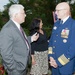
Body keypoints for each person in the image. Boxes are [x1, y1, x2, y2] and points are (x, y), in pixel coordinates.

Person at [0, 4, 39, 75]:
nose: (25, 15)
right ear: (16, 15)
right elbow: (5, 54)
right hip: (16, 70)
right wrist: (14, 69)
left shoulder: (17, 26)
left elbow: (19, 41)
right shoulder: (7, 29)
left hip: (22, 67)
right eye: (23, 13)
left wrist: (31, 39)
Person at [48, 2, 75, 75]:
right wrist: (51, 57)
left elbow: (73, 49)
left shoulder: (73, 25)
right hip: (54, 65)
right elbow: (51, 42)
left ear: (65, 11)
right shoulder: (56, 24)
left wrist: (58, 62)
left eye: (58, 10)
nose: (56, 13)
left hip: (66, 66)